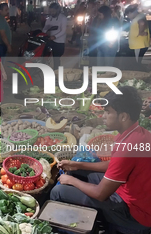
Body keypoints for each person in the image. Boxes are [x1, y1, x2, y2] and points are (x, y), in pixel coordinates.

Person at [51, 86, 151, 232]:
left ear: (123, 116)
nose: (103, 115)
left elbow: (100, 194)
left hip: (134, 214)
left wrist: (71, 181)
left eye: (108, 112)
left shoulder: (128, 146)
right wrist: (78, 165)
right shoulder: (138, 133)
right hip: (130, 195)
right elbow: (114, 165)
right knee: (75, 173)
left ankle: (90, 227)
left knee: (58, 191)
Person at [42, 3, 67, 70]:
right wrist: (43, 33)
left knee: (56, 58)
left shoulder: (63, 18)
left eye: (53, 11)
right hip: (50, 39)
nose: (52, 13)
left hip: (59, 41)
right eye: (50, 11)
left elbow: (63, 31)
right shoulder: (49, 18)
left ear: (57, 10)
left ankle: (56, 72)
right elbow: (45, 28)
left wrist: (55, 36)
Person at [125, 4, 150, 69]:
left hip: (138, 45)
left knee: (137, 62)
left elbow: (142, 23)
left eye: (128, 15)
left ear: (130, 12)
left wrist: (140, 32)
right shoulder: (139, 16)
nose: (128, 17)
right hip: (138, 44)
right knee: (137, 61)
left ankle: (140, 74)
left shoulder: (139, 17)